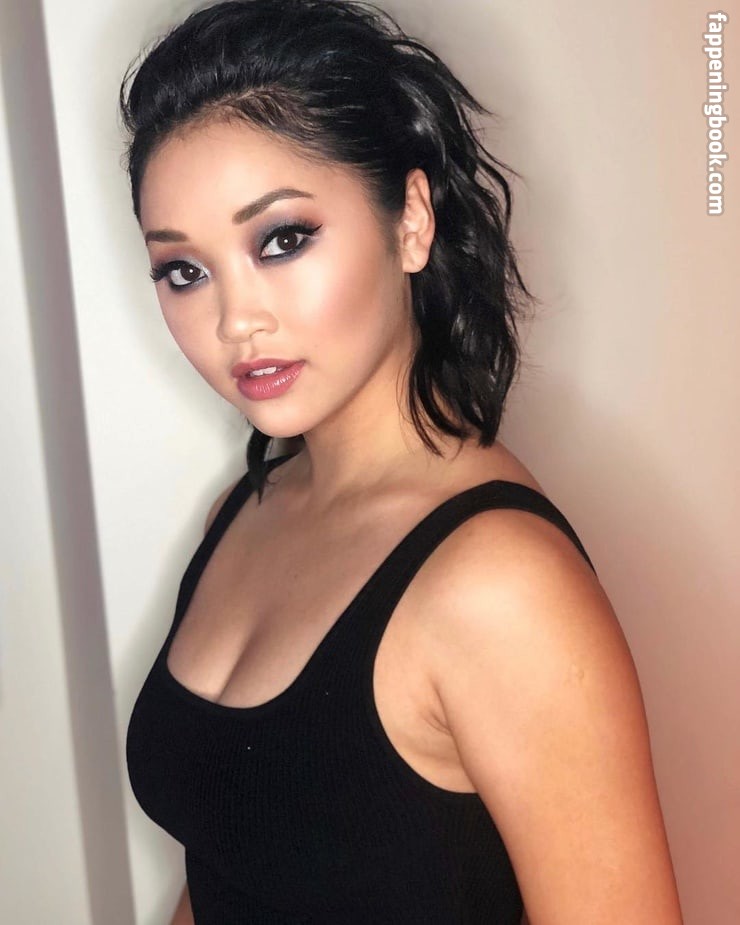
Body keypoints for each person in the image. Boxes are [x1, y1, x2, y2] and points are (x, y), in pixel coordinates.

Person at [121, 1, 683, 922]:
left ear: (412, 219)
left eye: (282, 239)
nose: (235, 321)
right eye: (185, 270)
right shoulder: (241, 514)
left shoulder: (501, 585)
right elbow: (229, 864)